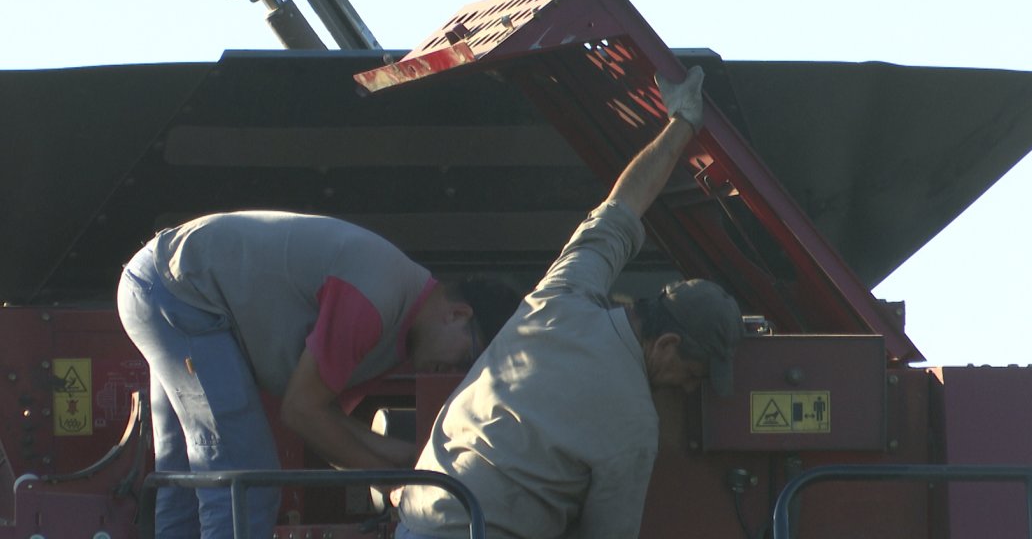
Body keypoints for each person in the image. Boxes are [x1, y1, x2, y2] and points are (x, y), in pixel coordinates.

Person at [396, 66, 745, 539]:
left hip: (417, 520)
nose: (688, 389)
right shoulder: (636, 425)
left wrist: (683, 121)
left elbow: (622, 208)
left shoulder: (561, 297)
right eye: (694, 374)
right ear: (666, 344)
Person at [116, 211, 520, 539]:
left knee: (185, 480)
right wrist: (412, 466)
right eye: (466, 358)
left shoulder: (397, 329)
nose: (454, 372)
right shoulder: (376, 301)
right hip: (180, 292)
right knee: (245, 483)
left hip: (172, 286)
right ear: (458, 314)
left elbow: (328, 431)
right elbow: (302, 412)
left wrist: (405, 470)